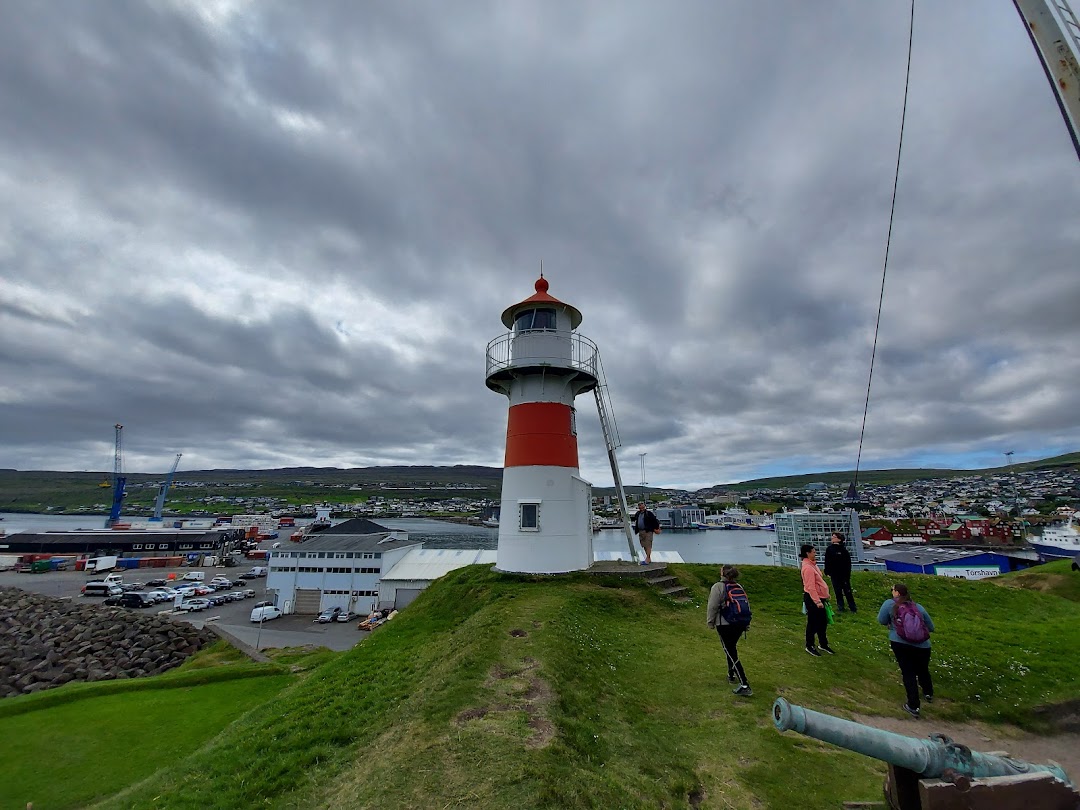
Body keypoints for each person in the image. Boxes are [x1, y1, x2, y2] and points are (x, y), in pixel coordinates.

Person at [878, 582, 934, 718]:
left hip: (900, 642)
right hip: (923, 645)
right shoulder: (918, 607)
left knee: (908, 673)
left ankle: (913, 705)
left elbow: (881, 620)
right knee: (922, 669)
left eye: (893, 590)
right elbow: (931, 626)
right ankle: (928, 693)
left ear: (897, 592)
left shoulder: (889, 604)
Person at [706, 565, 752, 696]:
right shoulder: (739, 587)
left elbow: (712, 606)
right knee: (731, 648)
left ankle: (744, 684)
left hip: (725, 623)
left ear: (722, 573)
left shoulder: (718, 587)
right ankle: (731, 674)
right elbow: (746, 605)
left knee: (730, 651)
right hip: (739, 624)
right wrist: (746, 624)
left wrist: (710, 622)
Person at [800, 544, 834, 656]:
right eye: (813, 552)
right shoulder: (808, 568)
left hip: (821, 598)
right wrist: (817, 601)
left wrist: (826, 594)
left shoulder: (813, 565)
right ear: (807, 553)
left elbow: (819, 582)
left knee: (822, 623)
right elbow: (810, 587)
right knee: (813, 623)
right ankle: (809, 645)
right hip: (813, 599)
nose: (815, 553)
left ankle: (823, 644)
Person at [823, 532, 856, 612]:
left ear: (839, 539)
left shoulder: (843, 550)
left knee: (847, 591)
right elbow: (827, 561)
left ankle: (852, 607)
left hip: (844, 574)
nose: (832, 538)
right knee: (837, 591)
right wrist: (827, 571)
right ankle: (840, 607)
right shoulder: (830, 549)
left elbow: (848, 563)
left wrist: (848, 574)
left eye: (834, 537)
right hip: (835, 574)